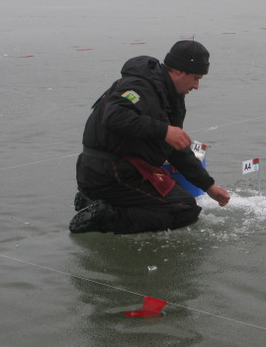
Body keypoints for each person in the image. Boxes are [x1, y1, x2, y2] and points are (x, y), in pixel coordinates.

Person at [69, 40, 231, 234]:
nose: (197, 86)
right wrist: (164, 131)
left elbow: (176, 149)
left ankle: (94, 203)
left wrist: (208, 186)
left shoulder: (172, 97)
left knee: (180, 194)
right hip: (107, 172)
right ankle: (107, 217)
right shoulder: (139, 87)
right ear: (178, 71)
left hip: (123, 170)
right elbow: (113, 116)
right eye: (195, 78)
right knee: (184, 209)